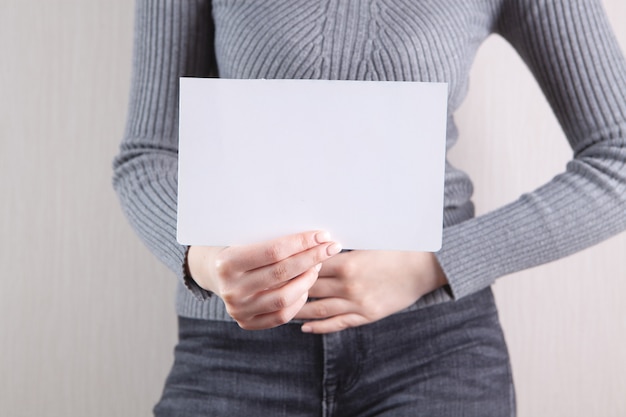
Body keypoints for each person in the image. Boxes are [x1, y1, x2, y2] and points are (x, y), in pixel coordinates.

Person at [112, 0, 626, 416]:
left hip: (435, 350)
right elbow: (148, 157)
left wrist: (428, 266)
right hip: (237, 349)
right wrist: (206, 264)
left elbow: (617, 157)